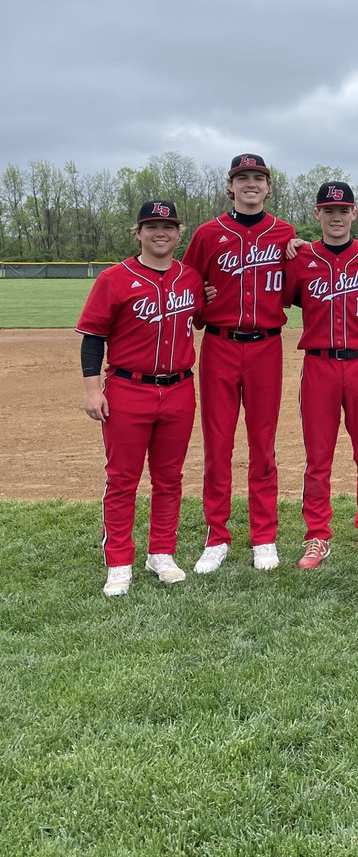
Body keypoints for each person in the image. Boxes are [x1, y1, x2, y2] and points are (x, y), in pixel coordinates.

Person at [76, 200, 204, 597]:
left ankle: (161, 553)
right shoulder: (114, 278)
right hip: (128, 388)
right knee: (122, 479)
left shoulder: (190, 278)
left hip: (180, 388)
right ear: (138, 233)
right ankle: (118, 562)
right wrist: (92, 390)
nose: (160, 232)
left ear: (179, 233)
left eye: (168, 226)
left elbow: (203, 315)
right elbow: (93, 337)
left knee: (169, 477)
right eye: (151, 226)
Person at [183, 154, 296, 574]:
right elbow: (185, 287)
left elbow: (296, 290)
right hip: (220, 345)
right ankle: (217, 536)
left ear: (268, 187)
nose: (251, 183)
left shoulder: (284, 233)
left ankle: (264, 536)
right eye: (242, 177)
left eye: (258, 177)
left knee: (263, 445)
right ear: (230, 186)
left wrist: (298, 252)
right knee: (218, 445)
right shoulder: (208, 233)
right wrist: (202, 299)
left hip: (266, 347)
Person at [282, 182, 358, 569]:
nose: (336, 217)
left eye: (343, 210)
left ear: (354, 213)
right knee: (318, 458)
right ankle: (317, 535)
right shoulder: (302, 257)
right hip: (319, 365)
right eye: (329, 210)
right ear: (317, 213)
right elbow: (279, 296)